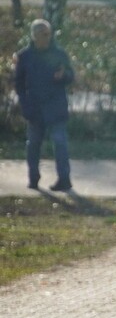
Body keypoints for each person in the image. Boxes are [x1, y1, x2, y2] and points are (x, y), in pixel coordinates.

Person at [14, 19, 75, 192]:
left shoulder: (59, 54)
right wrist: (24, 104)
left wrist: (63, 76)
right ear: (34, 36)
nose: (47, 38)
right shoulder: (24, 56)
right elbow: (18, 83)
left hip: (56, 108)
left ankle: (64, 180)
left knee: (60, 143)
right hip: (35, 108)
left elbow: (71, 76)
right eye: (43, 34)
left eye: (49, 34)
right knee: (33, 144)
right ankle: (33, 178)